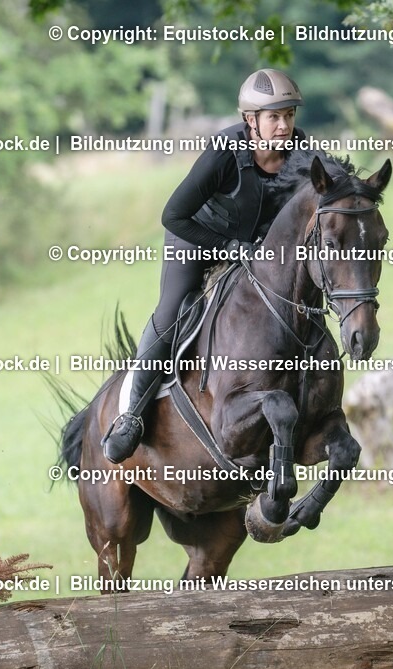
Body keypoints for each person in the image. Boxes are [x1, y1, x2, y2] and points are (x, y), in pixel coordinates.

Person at [102, 68, 307, 464]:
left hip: (253, 248)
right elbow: (173, 215)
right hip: (195, 239)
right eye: (274, 117)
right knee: (172, 312)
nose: (284, 126)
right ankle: (131, 416)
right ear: (250, 120)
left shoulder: (300, 152)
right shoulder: (224, 152)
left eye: (289, 115)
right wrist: (228, 246)